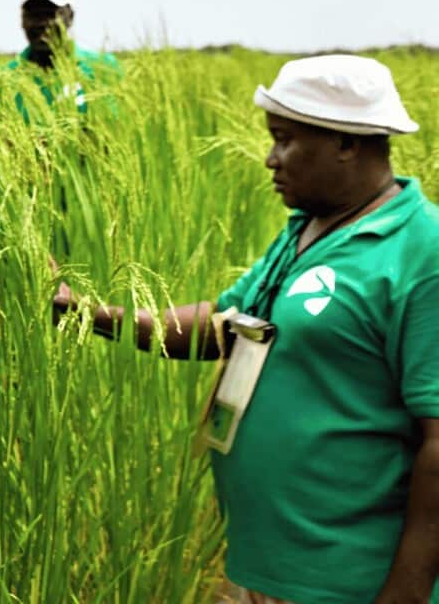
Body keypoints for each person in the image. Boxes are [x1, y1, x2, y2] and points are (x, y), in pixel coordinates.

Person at [53, 55, 439, 603]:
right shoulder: (307, 230)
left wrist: (404, 595)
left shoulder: (423, 254)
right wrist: (88, 313)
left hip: (350, 579)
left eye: (284, 140)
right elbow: (225, 327)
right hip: (267, 565)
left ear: (346, 142)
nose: (269, 159)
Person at [0, 0, 121, 118]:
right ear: (22, 21)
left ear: (70, 17)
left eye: (50, 14)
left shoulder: (103, 68)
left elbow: (117, 128)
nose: (41, 23)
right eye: (33, 15)